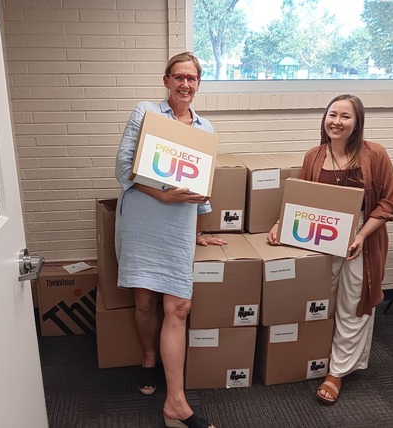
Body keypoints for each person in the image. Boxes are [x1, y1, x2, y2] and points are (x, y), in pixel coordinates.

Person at [115, 52, 225, 428]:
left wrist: (199, 231)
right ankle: (149, 356)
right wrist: (162, 194)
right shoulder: (145, 113)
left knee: (177, 306)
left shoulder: (205, 129)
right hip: (145, 215)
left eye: (192, 79)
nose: (185, 85)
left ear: (198, 84)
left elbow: (202, 188)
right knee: (145, 301)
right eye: (179, 77)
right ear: (166, 80)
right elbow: (123, 168)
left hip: (178, 223)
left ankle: (175, 403)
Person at [267, 94, 393, 404]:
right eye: (332, 115)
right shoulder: (314, 155)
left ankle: (336, 372)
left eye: (345, 116)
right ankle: (315, 355)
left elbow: (389, 203)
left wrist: (362, 236)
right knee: (320, 299)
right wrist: (280, 223)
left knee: (353, 305)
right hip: (320, 236)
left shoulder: (375, 154)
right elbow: (301, 197)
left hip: (359, 238)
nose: (336, 122)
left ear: (357, 123)